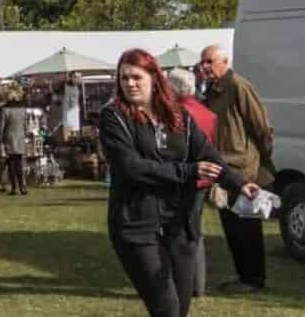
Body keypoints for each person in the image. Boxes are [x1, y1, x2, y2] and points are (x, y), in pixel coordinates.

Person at [101, 49, 256, 317]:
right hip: (136, 224)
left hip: (179, 224)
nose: (130, 83)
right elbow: (131, 167)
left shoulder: (179, 116)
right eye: (124, 78)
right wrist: (189, 172)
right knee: (167, 308)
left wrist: (238, 183)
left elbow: (206, 153)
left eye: (136, 77)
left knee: (181, 308)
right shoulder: (114, 117)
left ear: (153, 77)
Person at [200, 44, 275, 296]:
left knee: (247, 228)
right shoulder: (212, 91)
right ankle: (244, 276)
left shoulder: (238, 86)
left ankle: (253, 278)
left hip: (243, 168)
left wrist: (258, 160)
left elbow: (262, 127)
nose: (204, 67)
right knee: (232, 226)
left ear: (225, 61)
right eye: (203, 62)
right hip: (223, 168)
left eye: (209, 62)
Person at [168, 67, 216, 298]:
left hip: (185, 177)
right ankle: (197, 283)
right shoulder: (207, 113)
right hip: (204, 179)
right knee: (194, 229)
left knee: (184, 232)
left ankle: (189, 284)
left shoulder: (179, 114)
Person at [0, 85, 29, 195]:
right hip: (20, 138)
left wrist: (0, 139)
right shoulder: (22, 110)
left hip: (9, 139)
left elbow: (1, 127)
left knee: (11, 164)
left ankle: (14, 188)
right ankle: (22, 187)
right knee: (19, 164)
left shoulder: (5, 110)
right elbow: (25, 125)